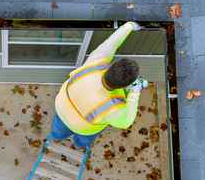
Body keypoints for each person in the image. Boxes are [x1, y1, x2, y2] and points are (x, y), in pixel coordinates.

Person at [50, 21, 146, 151]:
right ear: (125, 86)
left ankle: (56, 137)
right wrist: (135, 91)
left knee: (59, 128)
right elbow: (126, 121)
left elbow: (110, 44)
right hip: (83, 127)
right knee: (84, 138)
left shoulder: (95, 64)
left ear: (111, 66)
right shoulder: (113, 107)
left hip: (62, 107)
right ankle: (79, 145)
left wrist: (128, 27)